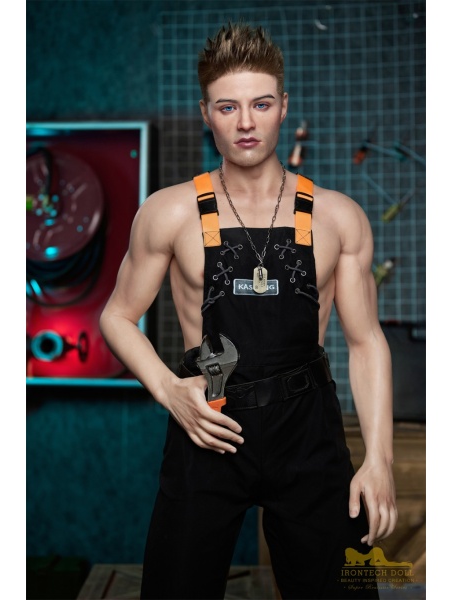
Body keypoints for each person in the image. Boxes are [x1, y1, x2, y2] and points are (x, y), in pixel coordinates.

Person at [100, 22, 397, 600]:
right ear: (206, 113)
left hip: (307, 432)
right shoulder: (169, 212)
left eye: (260, 104)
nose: (245, 123)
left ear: (283, 107)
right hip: (207, 424)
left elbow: (366, 343)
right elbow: (116, 315)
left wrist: (379, 459)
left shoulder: (337, 217)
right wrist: (169, 390)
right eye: (227, 107)